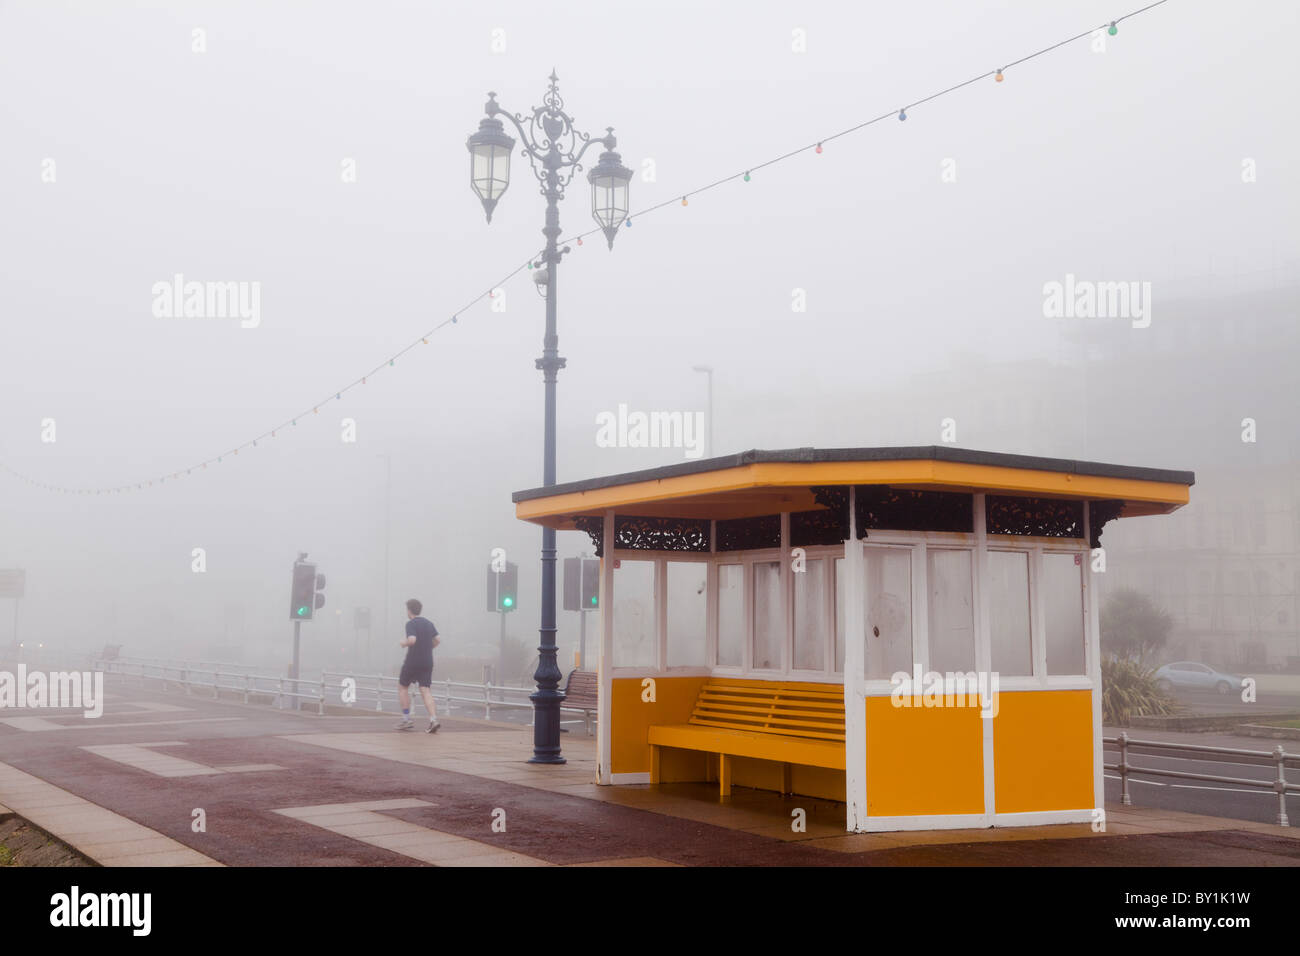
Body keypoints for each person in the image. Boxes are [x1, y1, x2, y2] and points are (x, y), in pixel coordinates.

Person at [396, 598, 440, 732]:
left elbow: (412, 640)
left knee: (403, 687)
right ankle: (433, 720)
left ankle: (406, 719)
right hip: (427, 661)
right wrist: (428, 648)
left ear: (409, 611)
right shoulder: (429, 623)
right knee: (425, 689)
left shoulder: (411, 623)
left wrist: (404, 643)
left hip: (413, 661)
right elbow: (437, 640)